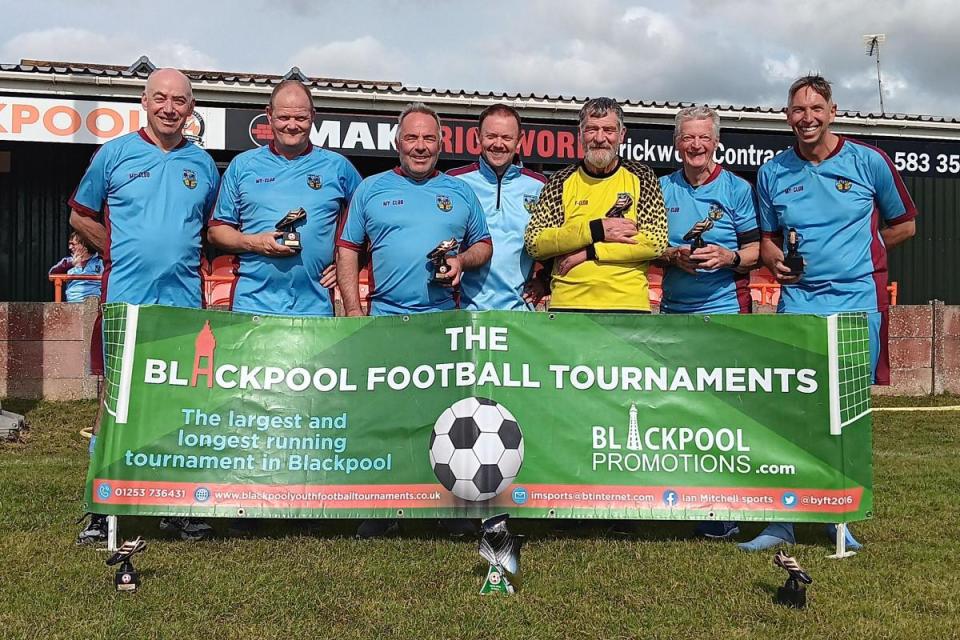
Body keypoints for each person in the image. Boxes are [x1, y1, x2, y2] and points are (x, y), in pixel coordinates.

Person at [741, 74, 917, 552]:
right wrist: (774, 259)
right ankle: (783, 521)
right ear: (786, 117)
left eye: (816, 108)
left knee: (848, 416)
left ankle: (840, 518)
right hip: (800, 304)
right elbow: (770, 239)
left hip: (858, 304)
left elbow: (904, 224)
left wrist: (867, 249)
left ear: (833, 110)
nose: (807, 118)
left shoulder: (869, 161)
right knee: (794, 413)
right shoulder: (774, 172)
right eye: (798, 110)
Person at [70, 68, 220, 543]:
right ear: (144, 101)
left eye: (179, 100)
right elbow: (81, 212)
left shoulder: (204, 165)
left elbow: (213, 231)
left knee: (179, 402)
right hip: (125, 300)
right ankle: (100, 507)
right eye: (161, 98)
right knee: (115, 401)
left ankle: (175, 505)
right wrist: (115, 249)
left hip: (182, 304)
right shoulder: (114, 154)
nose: (170, 108)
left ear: (191, 108)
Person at [337, 102, 492, 537]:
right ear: (397, 142)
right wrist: (353, 310)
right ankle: (381, 508)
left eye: (428, 138)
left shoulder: (461, 192)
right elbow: (348, 248)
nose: (420, 147)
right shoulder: (370, 188)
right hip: (386, 319)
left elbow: (484, 245)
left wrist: (462, 259)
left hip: (442, 322)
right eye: (412, 138)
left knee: (443, 419)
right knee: (384, 416)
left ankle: (444, 508)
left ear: (441, 143)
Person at [656, 105, 760, 540]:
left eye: (704, 138)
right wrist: (672, 254)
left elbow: (759, 250)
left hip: (726, 313)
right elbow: (649, 245)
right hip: (675, 315)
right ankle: (677, 498)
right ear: (677, 143)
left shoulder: (737, 189)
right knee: (678, 413)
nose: (696, 145)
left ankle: (726, 506)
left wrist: (729, 257)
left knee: (724, 416)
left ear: (716, 142)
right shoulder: (661, 189)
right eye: (688, 138)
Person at [208, 80, 361, 316]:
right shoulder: (242, 165)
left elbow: (372, 224)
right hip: (251, 306)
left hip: (315, 308)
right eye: (283, 118)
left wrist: (352, 265)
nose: (292, 126)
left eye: (300, 118)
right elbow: (216, 232)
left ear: (313, 116)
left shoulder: (338, 167)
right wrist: (254, 243)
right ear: (269, 116)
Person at [524, 97, 667, 312]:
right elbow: (536, 243)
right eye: (592, 129)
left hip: (628, 306)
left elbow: (655, 242)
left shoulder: (643, 177)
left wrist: (590, 251)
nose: (600, 138)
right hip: (568, 304)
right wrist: (595, 229)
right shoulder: (559, 181)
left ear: (622, 135)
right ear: (580, 135)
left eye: (608, 130)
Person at [448, 104, 548, 310]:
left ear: (519, 141)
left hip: (519, 314)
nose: (498, 144)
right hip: (465, 313)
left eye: (506, 137)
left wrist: (545, 280)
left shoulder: (539, 186)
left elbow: (555, 242)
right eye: (491, 136)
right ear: (478, 137)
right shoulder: (454, 183)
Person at [49, 232, 104, 302]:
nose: (70, 247)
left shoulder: (101, 261)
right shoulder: (67, 261)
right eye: (69, 244)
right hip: (73, 304)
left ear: (84, 244)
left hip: (95, 304)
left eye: (73, 244)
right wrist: (71, 264)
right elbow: (51, 273)